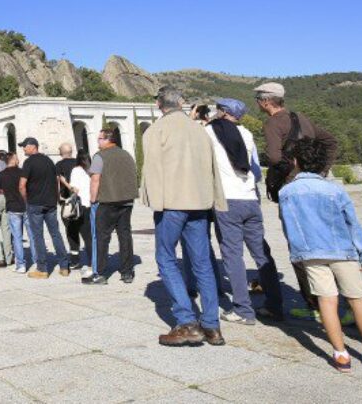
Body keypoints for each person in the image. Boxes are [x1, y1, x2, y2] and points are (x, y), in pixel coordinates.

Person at [280, 138, 362, 372]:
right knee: (357, 299)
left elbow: (289, 226)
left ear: (296, 161)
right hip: (342, 250)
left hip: (310, 254)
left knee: (326, 301)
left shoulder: (287, 192)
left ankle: (340, 355)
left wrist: (297, 252)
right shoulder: (334, 190)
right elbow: (352, 224)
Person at [142, 86, 226, 347]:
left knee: (166, 258)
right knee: (202, 262)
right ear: (181, 103)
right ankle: (212, 326)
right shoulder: (199, 130)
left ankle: (187, 322)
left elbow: (153, 169)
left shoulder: (157, 130)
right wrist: (215, 198)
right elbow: (213, 168)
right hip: (199, 203)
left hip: (172, 204)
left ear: (159, 105)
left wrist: (154, 202)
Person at [255, 80, 339, 321]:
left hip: (292, 190)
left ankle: (315, 304)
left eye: (258, 100)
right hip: (316, 185)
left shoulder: (272, 123)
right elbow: (330, 141)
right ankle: (338, 298)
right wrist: (320, 170)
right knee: (324, 242)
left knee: (299, 245)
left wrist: (284, 170)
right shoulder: (300, 118)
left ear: (266, 101)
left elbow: (273, 156)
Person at [205, 98, 284, 324]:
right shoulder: (247, 133)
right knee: (261, 253)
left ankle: (242, 309)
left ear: (223, 112)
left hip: (227, 200)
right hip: (250, 197)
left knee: (232, 255)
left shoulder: (211, 131)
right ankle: (275, 306)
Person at [85, 127, 139, 285]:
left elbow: (95, 179)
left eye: (100, 138)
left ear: (108, 139)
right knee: (125, 236)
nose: (98, 141)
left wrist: (93, 199)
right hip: (126, 201)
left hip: (107, 202)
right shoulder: (126, 154)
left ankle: (100, 273)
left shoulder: (99, 156)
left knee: (102, 238)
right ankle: (127, 272)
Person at [19, 137, 70, 279]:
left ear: (32, 146)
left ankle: (42, 269)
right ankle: (64, 266)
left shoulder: (28, 162)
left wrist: (26, 200)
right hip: (50, 203)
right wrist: (55, 197)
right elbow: (56, 181)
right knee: (56, 234)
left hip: (35, 203)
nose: (23, 149)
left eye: (24, 146)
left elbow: (22, 185)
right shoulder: (49, 161)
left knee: (38, 236)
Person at [0, 152, 32, 273]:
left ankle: (21, 265)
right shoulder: (22, 172)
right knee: (32, 235)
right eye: (17, 158)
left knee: (17, 237)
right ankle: (37, 261)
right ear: (13, 160)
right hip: (26, 206)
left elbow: (0, 187)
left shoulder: (1, 175)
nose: (19, 160)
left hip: (12, 207)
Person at [54, 143, 85, 269]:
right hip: (83, 200)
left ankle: (75, 260)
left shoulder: (59, 165)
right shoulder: (80, 163)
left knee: (71, 231)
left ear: (60, 153)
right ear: (71, 152)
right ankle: (93, 258)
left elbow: (57, 183)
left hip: (67, 202)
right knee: (84, 230)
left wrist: (58, 198)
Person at [67, 151, 93, 277]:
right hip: (92, 205)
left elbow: (74, 188)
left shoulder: (76, 170)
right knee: (90, 235)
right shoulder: (91, 171)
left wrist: (65, 184)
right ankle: (93, 260)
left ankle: (85, 262)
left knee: (81, 234)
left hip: (81, 206)